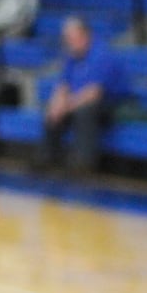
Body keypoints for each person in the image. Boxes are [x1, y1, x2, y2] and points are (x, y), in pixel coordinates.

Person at [35, 16, 130, 174]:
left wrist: (66, 107)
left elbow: (94, 93)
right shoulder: (72, 57)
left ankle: (83, 163)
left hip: (113, 104)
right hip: (81, 101)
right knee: (52, 110)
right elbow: (63, 85)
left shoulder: (102, 55)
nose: (68, 42)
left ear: (84, 35)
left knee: (85, 111)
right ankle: (47, 158)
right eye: (66, 38)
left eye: (71, 38)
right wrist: (57, 105)